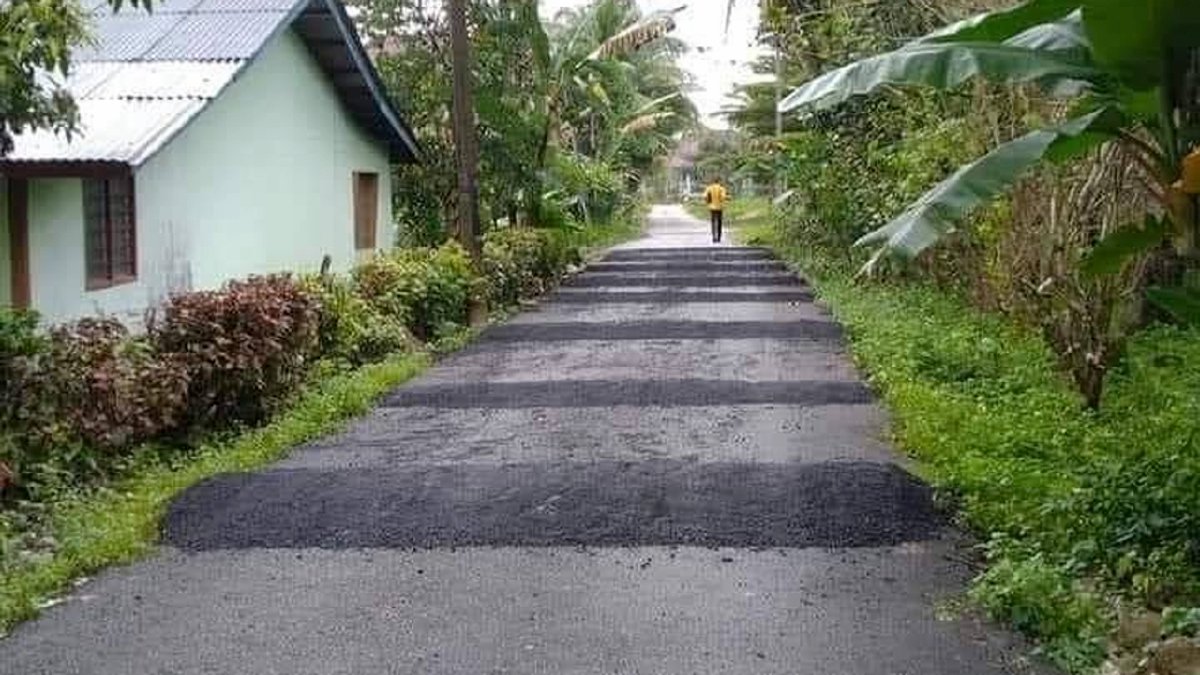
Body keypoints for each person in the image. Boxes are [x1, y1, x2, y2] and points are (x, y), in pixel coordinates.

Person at [703, 177, 729, 243]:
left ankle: (714, 237)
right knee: (719, 222)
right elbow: (723, 197)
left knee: (713, 221)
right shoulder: (721, 188)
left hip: (712, 207)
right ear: (719, 181)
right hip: (719, 207)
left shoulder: (709, 188)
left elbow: (705, 196)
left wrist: (707, 202)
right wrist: (723, 201)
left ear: (713, 181)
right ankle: (719, 237)